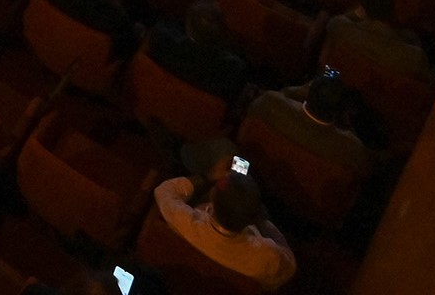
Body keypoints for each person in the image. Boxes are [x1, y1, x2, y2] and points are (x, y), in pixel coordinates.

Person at [151, 172, 297, 290]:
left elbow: (164, 190)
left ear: (212, 198)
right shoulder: (268, 257)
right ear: (253, 217)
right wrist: (264, 223)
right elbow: (289, 265)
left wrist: (209, 176)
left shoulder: (184, 222)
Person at [244, 70, 375, 177]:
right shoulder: (351, 150)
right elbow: (366, 168)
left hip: (258, 176)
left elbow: (277, 98)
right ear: (341, 113)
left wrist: (299, 90)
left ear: (308, 94)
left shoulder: (269, 103)